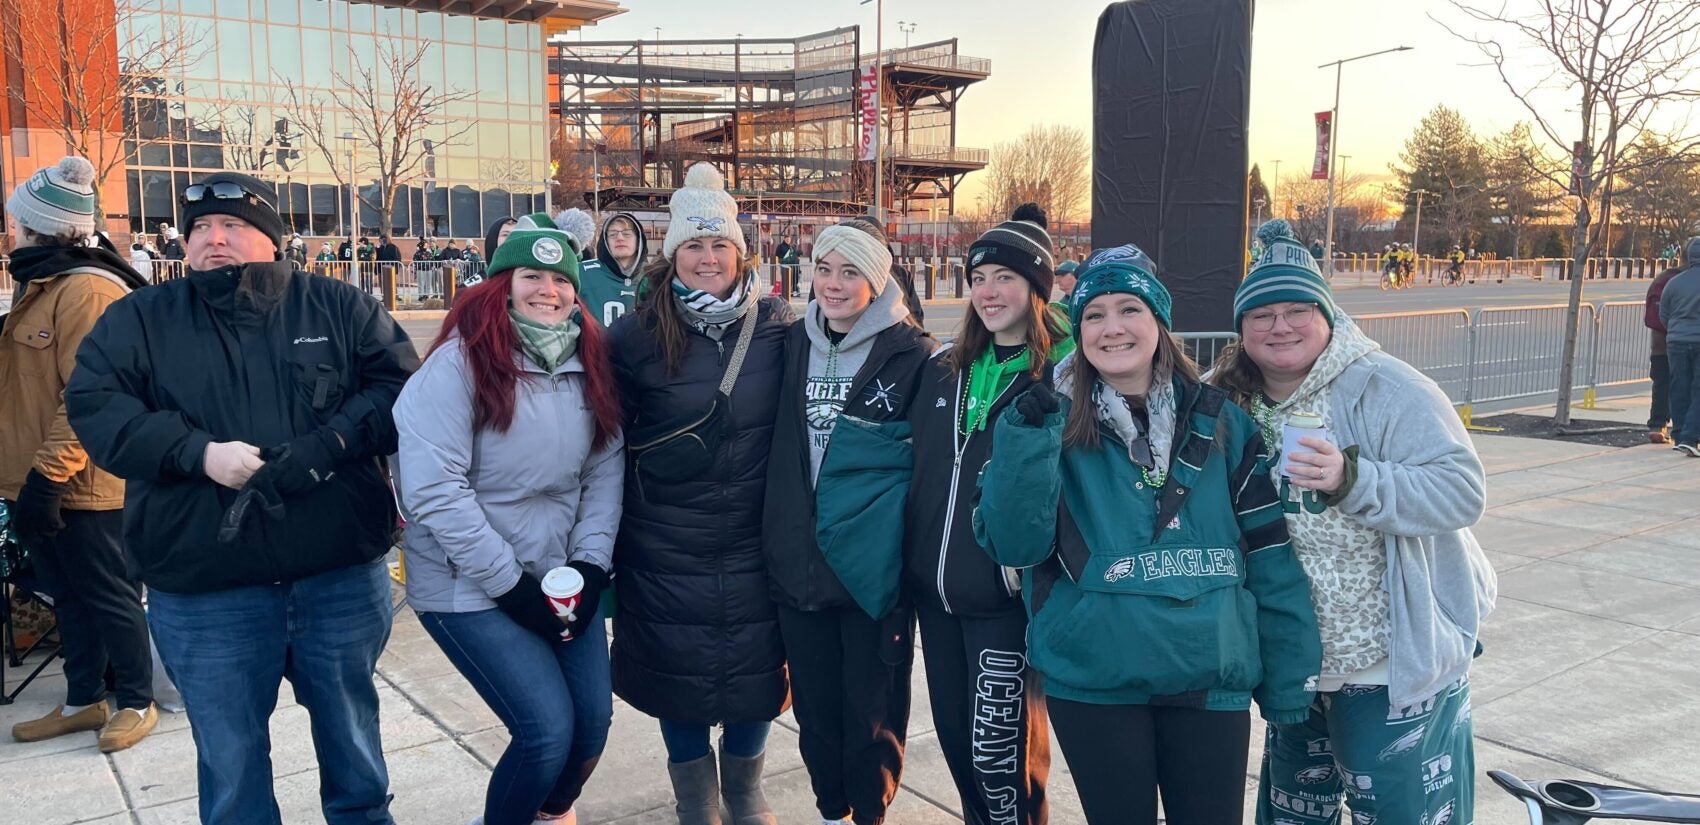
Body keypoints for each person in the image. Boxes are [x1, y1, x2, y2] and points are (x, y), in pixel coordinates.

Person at [65, 171, 420, 825]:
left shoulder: (338, 305)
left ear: (271, 238)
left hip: (336, 574)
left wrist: (328, 445)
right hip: (206, 587)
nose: (213, 239)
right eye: (200, 228)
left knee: (354, 747)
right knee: (231, 768)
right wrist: (197, 453)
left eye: (232, 225)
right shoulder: (140, 319)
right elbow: (94, 404)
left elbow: (401, 386)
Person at [975, 245, 1322, 825]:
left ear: (1158, 323)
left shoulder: (1224, 423)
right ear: (1078, 329)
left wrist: (1290, 675)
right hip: (1097, 678)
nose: (1113, 328)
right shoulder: (1043, 419)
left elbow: (1269, 552)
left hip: (1210, 673)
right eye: (1094, 314)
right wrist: (1025, 443)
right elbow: (1014, 546)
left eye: (1129, 309)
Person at [1209, 219, 1496, 825]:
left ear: (1326, 315)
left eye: (1296, 310)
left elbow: (1462, 491)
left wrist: (1352, 479)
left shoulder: (1386, 387)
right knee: (1294, 814)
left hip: (1388, 659)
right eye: (1261, 314)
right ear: (1242, 328)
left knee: (1400, 813)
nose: (1279, 326)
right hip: (1294, 659)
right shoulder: (1225, 396)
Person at [396, 217, 623, 825]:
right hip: (465, 582)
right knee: (545, 731)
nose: (546, 289)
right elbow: (435, 491)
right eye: (530, 276)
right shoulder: (457, 367)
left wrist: (589, 566)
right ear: (501, 284)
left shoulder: (591, 361)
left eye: (559, 279)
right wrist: (511, 587)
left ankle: (549, 814)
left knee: (591, 726)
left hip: (555, 574)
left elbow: (604, 473)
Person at [608, 163, 794, 825]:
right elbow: (602, 440)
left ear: (742, 251)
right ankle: (696, 799)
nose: (707, 257)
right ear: (672, 254)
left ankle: (744, 789)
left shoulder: (779, 329)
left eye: (719, 245)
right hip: (665, 544)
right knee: (676, 680)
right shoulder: (633, 338)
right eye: (693, 245)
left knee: (758, 680)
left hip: (755, 540)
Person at [766, 222, 937, 825]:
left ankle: (870, 811)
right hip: (799, 566)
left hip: (871, 573)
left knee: (872, 713)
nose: (833, 285)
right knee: (815, 713)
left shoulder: (911, 355)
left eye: (850, 272)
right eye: (824, 269)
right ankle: (831, 810)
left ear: (877, 280)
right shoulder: (790, 345)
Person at [902, 203, 1067, 825]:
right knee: (956, 746)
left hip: (1004, 599)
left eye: (1006, 277)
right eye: (979, 278)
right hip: (937, 596)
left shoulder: (1059, 377)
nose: (989, 291)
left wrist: (1035, 566)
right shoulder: (946, 368)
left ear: (1035, 289)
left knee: (1003, 759)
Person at [3, 156, 159, 753]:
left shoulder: (87, 290)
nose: (11, 227)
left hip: (84, 483)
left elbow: (90, 398)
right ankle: (83, 699)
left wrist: (48, 477)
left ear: (37, 224)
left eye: (16, 218)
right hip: (37, 478)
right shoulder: (42, 282)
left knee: (108, 593)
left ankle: (137, 702)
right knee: (67, 596)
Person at [1660, 236, 1700, 456]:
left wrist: (1675, 331)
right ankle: (1690, 437)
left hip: (1676, 340)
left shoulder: (1674, 282)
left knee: (1679, 387)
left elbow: (1664, 314)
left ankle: (1679, 432)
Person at [580, 212, 646, 327]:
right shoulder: (583, 273)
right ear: (605, 241)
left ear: (638, 240)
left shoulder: (655, 277)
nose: (620, 238)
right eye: (612, 234)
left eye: (627, 233)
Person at [1645, 261, 1683, 444]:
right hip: (1683, 340)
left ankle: (1657, 424)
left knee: (1661, 382)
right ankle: (1681, 428)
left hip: (1660, 341)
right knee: (1685, 385)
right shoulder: (1689, 280)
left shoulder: (1663, 279)